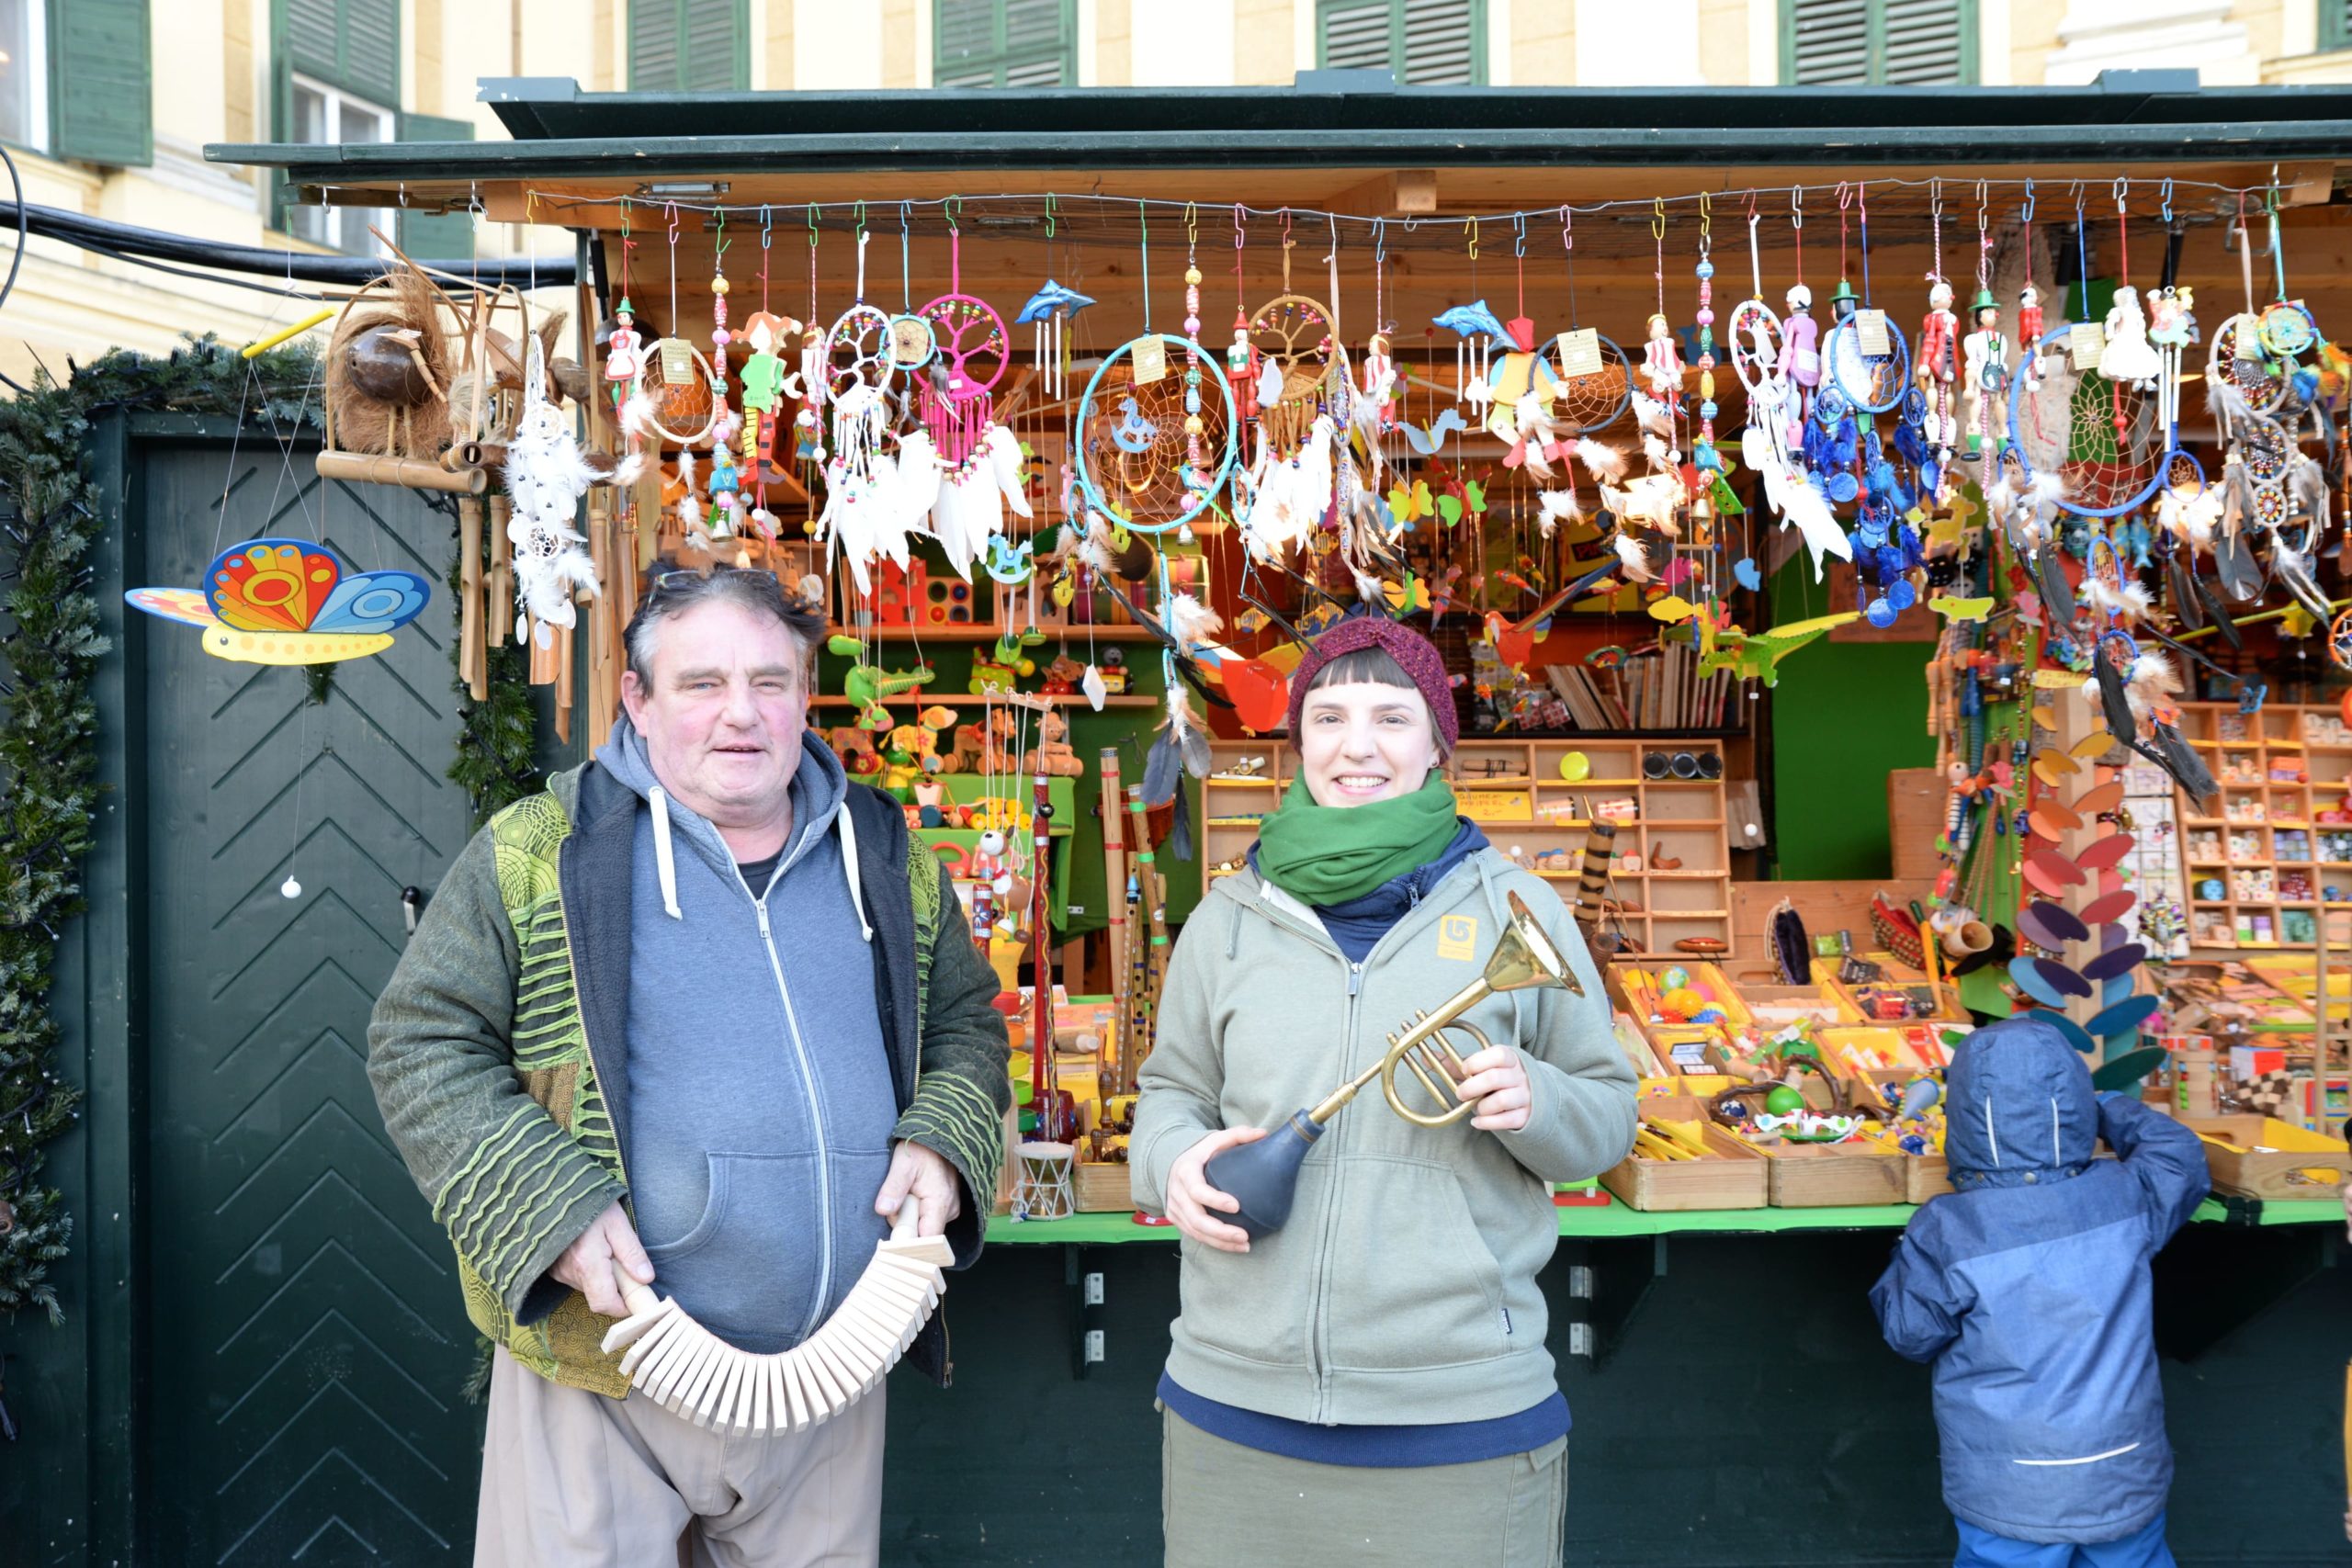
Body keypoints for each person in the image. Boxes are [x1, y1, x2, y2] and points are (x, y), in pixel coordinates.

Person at [368, 565, 1010, 1567]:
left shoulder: (887, 855)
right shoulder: (542, 848)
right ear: (638, 699)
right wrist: (553, 1215)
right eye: (701, 683)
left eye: (769, 682)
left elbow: (968, 1019)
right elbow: (421, 1039)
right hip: (604, 1371)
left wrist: (942, 1137)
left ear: (805, 696)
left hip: (831, 1375)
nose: (740, 714)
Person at [1130, 615, 1638, 1568]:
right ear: (1297, 743)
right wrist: (1170, 1164)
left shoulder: (1517, 909)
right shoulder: (1227, 918)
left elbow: (1608, 1117)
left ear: (1438, 744)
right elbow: (1169, 1092)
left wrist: (1540, 1101)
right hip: (1233, 1409)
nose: (1355, 746)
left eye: (1390, 719)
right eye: (1326, 718)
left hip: (1459, 1418)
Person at [1871, 1016, 2209, 1568]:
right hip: (2124, 1468)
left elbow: (1910, 1334)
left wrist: (1905, 1256)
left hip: (2007, 1483)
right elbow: (2177, 1153)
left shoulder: (1948, 1230)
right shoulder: (2126, 1198)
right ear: (2073, 1109)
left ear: (1963, 1121)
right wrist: (2100, 1104)